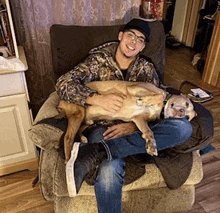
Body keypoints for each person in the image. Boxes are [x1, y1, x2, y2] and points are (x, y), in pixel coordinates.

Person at [55, 18, 192, 213]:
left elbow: (158, 109)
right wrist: (96, 99)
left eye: (140, 39)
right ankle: (106, 152)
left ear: (143, 46)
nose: (134, 42)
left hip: (137, 131)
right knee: (110, 168)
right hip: (102, 127)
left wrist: (132, 126)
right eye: (130, 35)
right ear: (120, 36)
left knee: (184, 128)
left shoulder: (146, 69)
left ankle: (99, 152)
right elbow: (63, 84)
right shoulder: (97, 61)